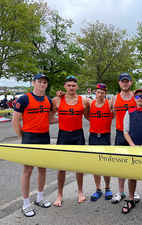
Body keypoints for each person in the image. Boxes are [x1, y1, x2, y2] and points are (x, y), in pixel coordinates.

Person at [11, 73, 58, 217]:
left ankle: (39, 198)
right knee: (28, 171)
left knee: (42, 169)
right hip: (29, 137)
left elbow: (51, 119)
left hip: (44, 137)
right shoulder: (24, 99)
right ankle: (25, 204)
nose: (42, 84)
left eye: (44, 82)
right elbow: (15, 121)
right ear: (33, 83)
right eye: (40, 82)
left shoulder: (48, 100)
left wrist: (69, 117)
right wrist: (24, 137)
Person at [52, 75, 90, 207]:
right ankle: (60, 194)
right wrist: (63, 119)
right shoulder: (56, 100)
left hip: (78, 135)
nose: (71, 87)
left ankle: (80, 191)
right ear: (65, 87)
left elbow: (93, 112)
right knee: (61, 167)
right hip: (63, 135)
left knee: (78, 166)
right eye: (69, 85)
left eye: (74, 85)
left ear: (77, 86)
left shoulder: (84, 101)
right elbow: (49, 118)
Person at [111, 73, 140, 204]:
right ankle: (120, 191)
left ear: (131, 82)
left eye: (127, 81)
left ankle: (133, 191)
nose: (125, 83)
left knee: (134, 164)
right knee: (121, 163)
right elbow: (109, 115)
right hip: (120, 133)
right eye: (122, 81)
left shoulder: (136, 97)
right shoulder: (114, 99)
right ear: (119, 83)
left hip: (134, 134)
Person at [86, 83, 114, 202]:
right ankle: (98, 189)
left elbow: (122, 97)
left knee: (106, 164)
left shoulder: (110, 103)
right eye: (98, 92)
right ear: (95, 92)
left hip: (105, 136)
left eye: (103, 92)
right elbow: (87, 116)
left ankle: (108, 188)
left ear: (105, 93)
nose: (100, 94)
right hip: (93, 136)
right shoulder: (90, 103)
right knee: (95, 164)